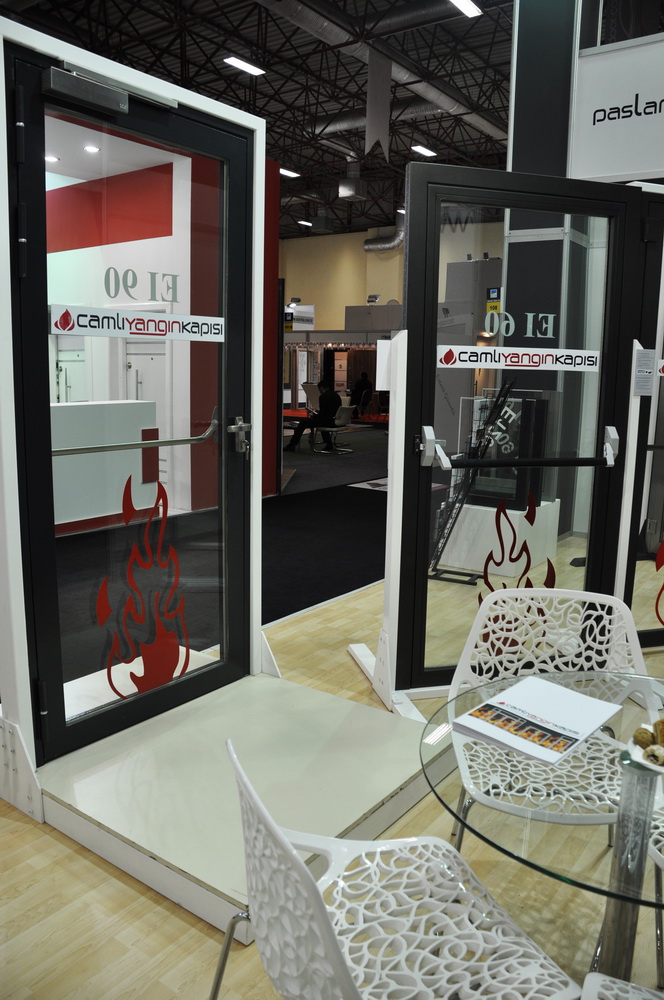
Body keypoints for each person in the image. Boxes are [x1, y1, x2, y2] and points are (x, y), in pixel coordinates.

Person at [284, 379, 341, 453]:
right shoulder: (336, 395)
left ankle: (292, 444)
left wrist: (314, 415)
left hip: (327, 421)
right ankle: (328, 443)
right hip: (336, 421)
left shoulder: (323, 397)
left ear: (321, 388)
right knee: (319, 422)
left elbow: (322, 413)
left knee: (303, 423)